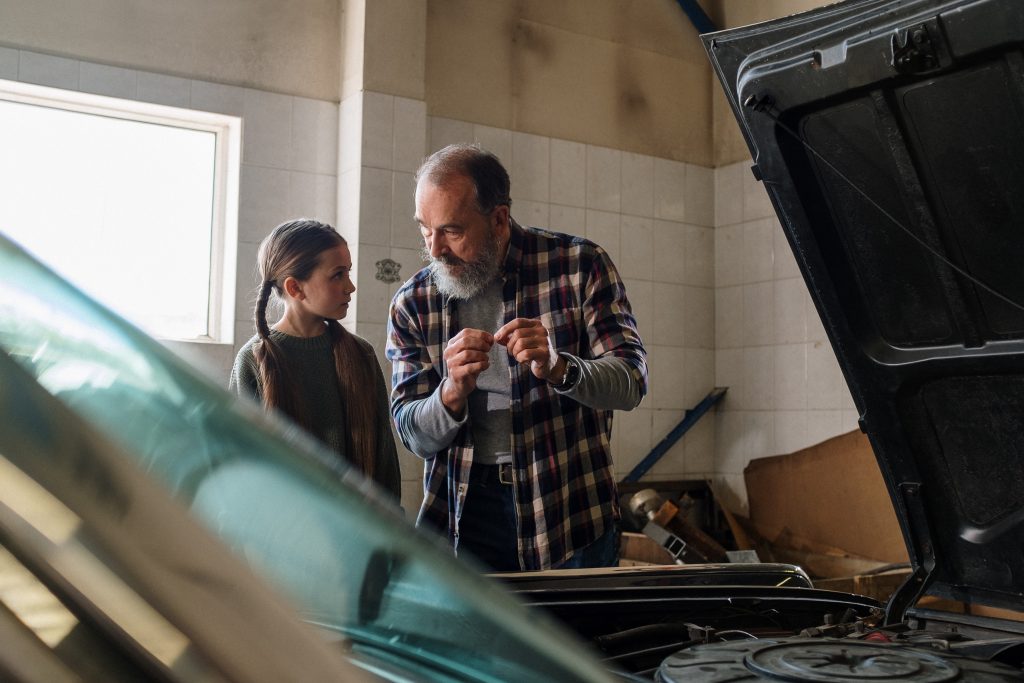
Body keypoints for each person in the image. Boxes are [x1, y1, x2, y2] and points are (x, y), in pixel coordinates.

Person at [386, 144, 647, 571]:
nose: (435, 250)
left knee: (581, 640)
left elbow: (631, 383)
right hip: (465, 516)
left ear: (499, 219)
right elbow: (412, 434)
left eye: (451, 231)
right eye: (424, 230)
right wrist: (449, 394)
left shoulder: (579, 266)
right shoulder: (413, 302)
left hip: (569, 509)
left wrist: (561, 368)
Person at [231, 219, 400, 499]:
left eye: (348, 273)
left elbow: (384, 461)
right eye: (338, 275)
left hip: (357, 533)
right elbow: (241, 464)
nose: (351, 287)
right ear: (295, 288)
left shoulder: (361, 354)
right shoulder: (254, 360)